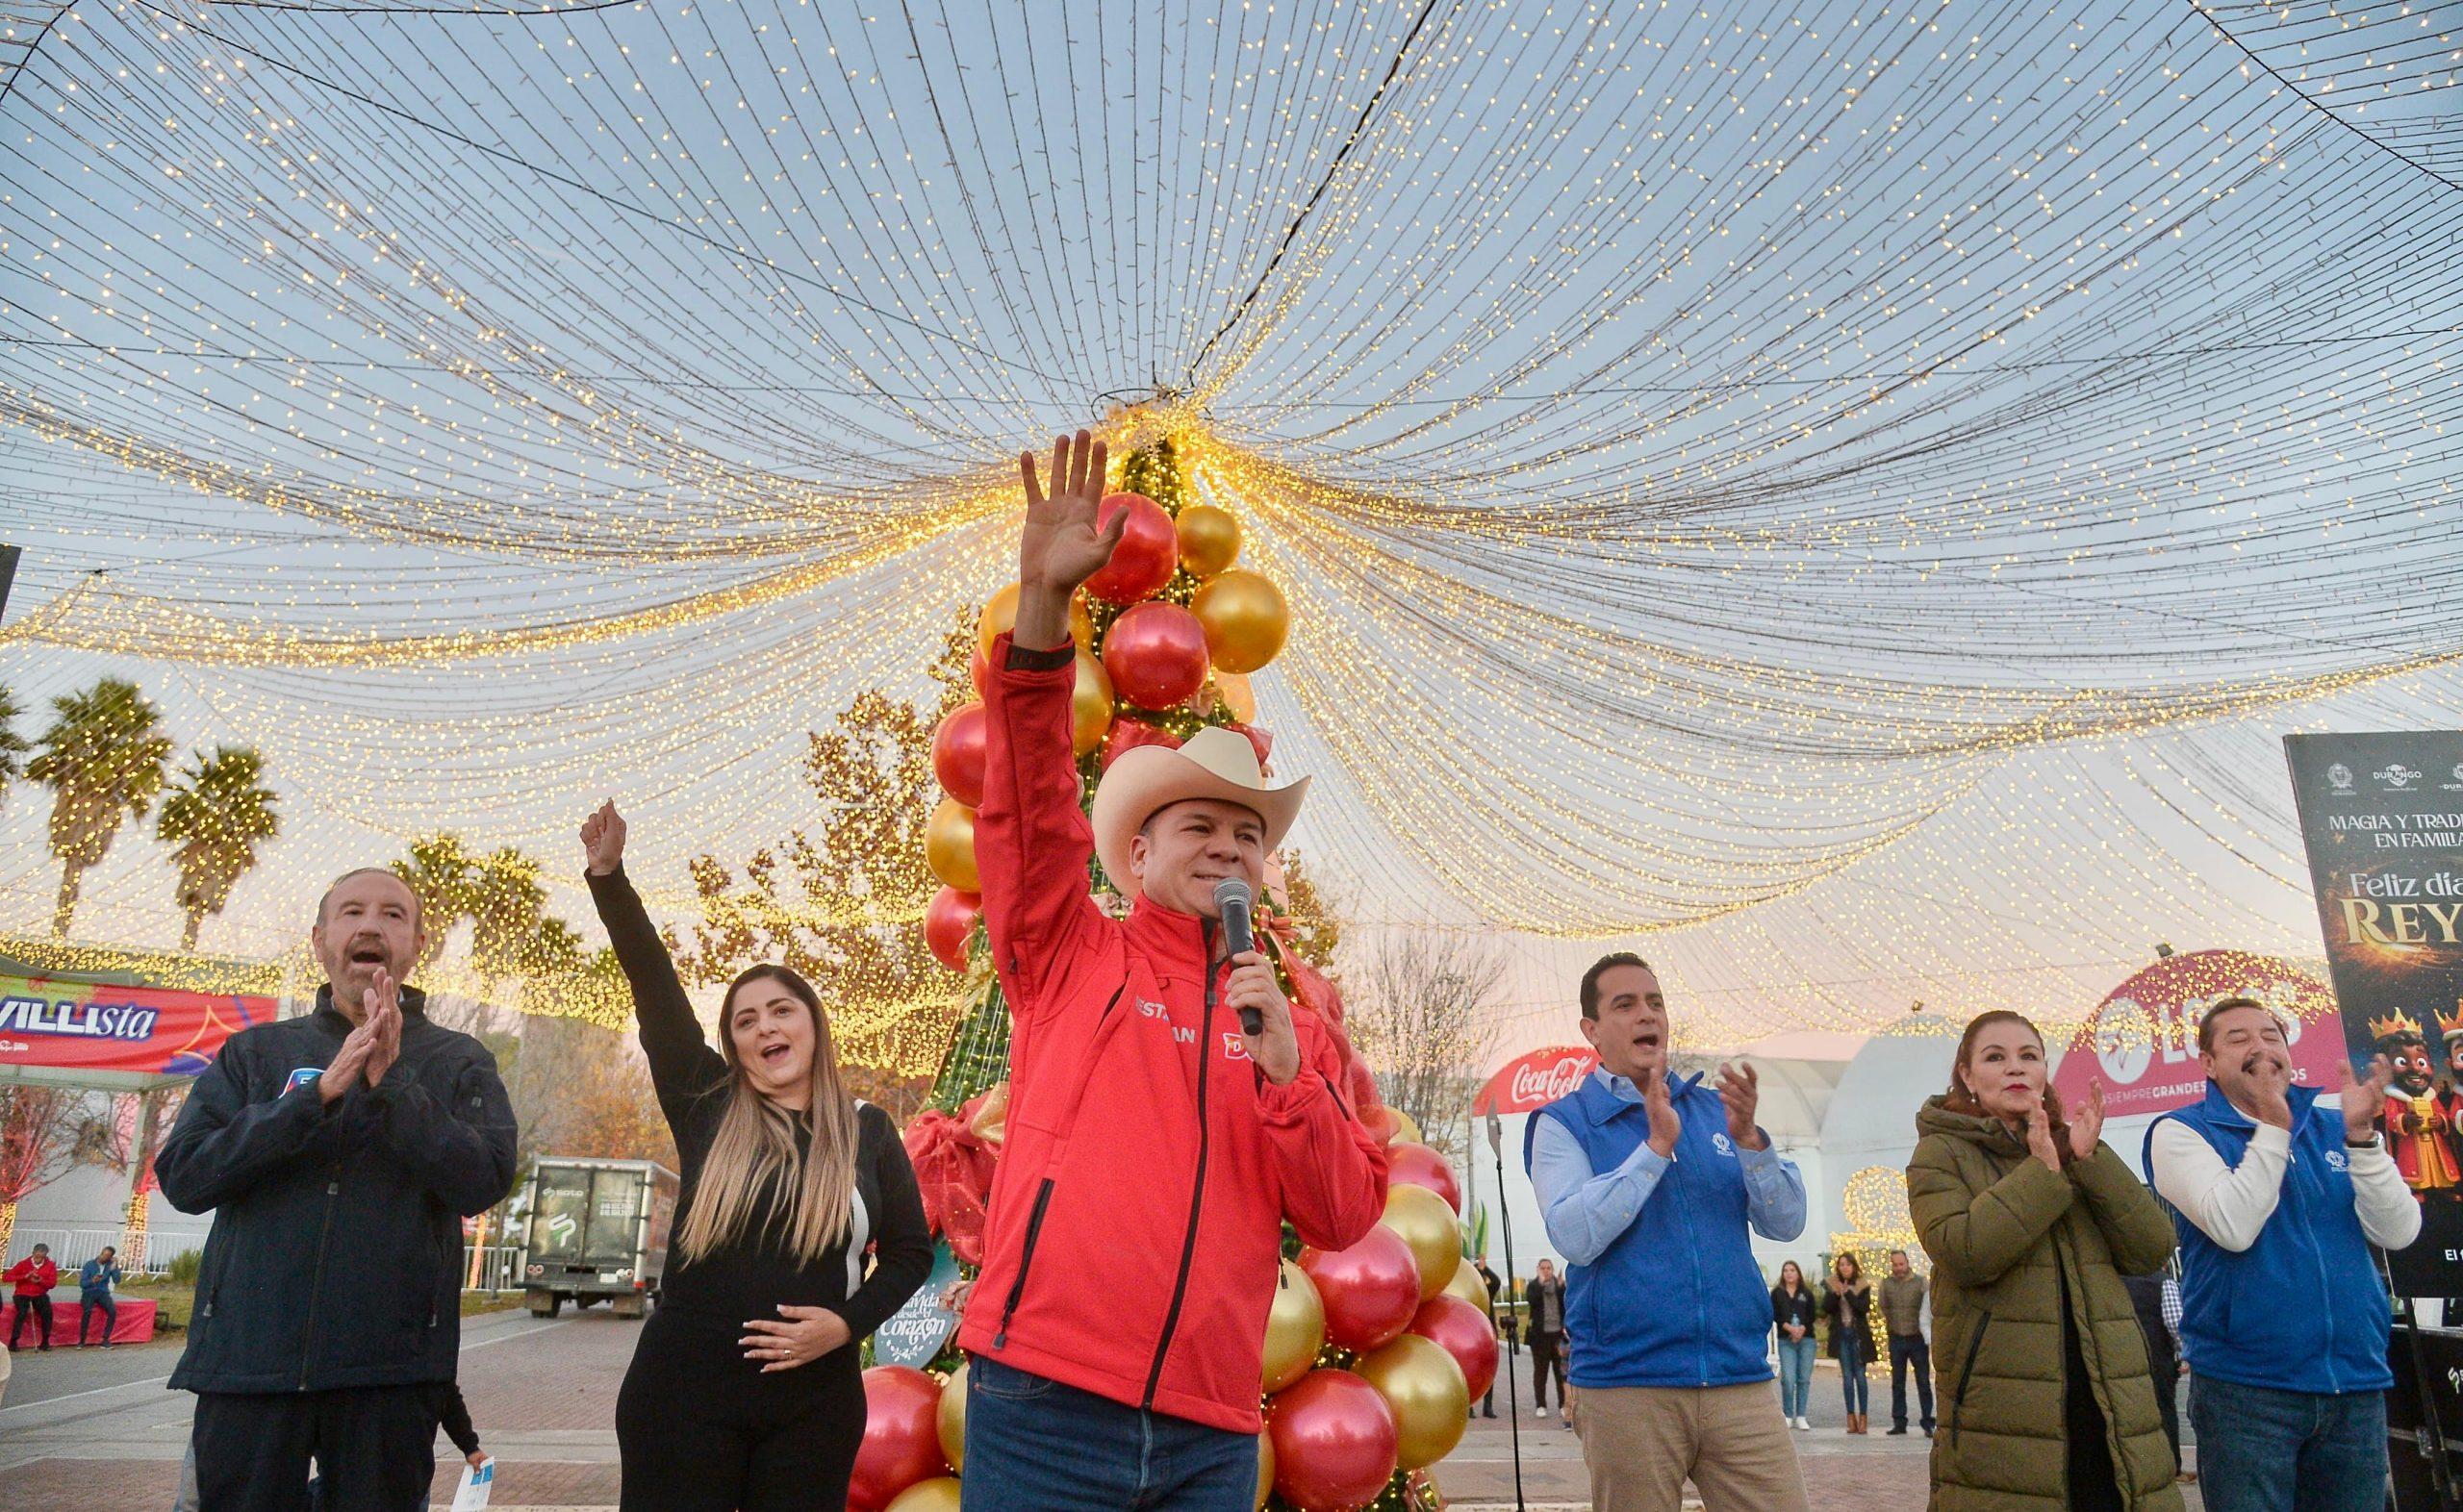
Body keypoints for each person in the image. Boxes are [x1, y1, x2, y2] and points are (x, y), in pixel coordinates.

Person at [958, 432, 1389, 1511]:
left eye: (1246, 836)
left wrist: (1288, 1075)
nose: (1226, 849)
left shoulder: (1293, 1021)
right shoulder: (1070, 954)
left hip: (1207, 1433)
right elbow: (1026, 800)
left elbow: (1343, 1218)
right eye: (1196, 825)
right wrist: (1046, 614)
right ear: (1135, 853)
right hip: (1045, 1407)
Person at [582, 800, 934, 1512]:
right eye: (745, 1019)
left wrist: (846, 1324)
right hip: (680, 1396)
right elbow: (656, 991)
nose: (764, 1026)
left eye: (781, 1010)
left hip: (813, 1406)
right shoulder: (706, 1103)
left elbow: (909, 1253)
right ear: (735, 1047)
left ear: (813, 1026)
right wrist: (610, 879)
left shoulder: (868, 1130)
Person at [154, 866, 518, 1512]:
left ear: (415, 944)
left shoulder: (459, 1060)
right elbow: (185, 1174)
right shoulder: (255, 1053)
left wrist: (395, 1083)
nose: (370, 925)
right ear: (321, 939)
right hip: (249, 1367)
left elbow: (482, 1179)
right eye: (351, 912)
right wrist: (314, 1097)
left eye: (392, 915)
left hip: (390, 1378)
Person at [1526, 951, 1811, 1512]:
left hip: (1739, 1381)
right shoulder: (1563, 1123)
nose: (1646, 1015)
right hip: (1627, 1387)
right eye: (1625, 1004)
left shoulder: (1717, 1111)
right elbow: (1575, 1236)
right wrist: (1655, 1148)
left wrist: (1752, 1142)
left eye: (1655, 1002)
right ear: (1591, 1030)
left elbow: (1787, 1222)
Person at [2142, 995, 2414, 1512]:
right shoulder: (2181, 1131)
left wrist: (2361, 1139)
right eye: (2238, 1039)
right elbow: (2233, 1226)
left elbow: (2398, 1232)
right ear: (2208, 1063)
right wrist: (2273, 1124)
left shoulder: (2337, 1124)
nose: (2260, 1047)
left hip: (2355, 1383)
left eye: (2271, 1036)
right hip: (2248, 1393)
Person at [1908, 1010, 2181, 1512]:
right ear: (1967, 1076)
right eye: (1995, 1057)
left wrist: (2089, 1161)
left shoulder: (2074, 1146)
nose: (2015, 1068)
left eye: (2028, 1056)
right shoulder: (1940, 1153)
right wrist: (2040, 1172)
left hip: (2106, 1399)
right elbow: (1964, 1251)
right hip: (2007, 1409)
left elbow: (2152, 1246)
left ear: (2044, 1071)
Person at [2120, 1272, 2181, 1481]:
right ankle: (2172, 1466)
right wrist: (2185, 1353)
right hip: (2158, 1361)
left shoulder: (2114, 1281)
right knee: (2164, 1412)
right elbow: (2176, 1324)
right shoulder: (2163, 1282)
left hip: (2122, 1363)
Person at [1877, 1247, 1934, 1437]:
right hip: (1896, 1337)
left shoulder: (1920, 1282)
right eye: (1895, 1264)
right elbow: (1883, 1306)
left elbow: (1927, 1306)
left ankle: (1928, 1421)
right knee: (1898, 1382)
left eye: (1901, 1264)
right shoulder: (1886, 1284)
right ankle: (1899, 1422)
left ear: (1907, 1263)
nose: (1898, 1267)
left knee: (1923, 1382)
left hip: (1916, 1338)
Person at [1823, 1253, 1874, 1434]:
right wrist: (1837, 1295)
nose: (1844, 1267)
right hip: (1842, 1334)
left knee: (1860, 1376)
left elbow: (1864, 1308)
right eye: (1841, 1264)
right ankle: (1850, 1417)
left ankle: (1863, 1418)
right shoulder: (1832, 1284)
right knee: (1847, 1378)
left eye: (1847, 1264)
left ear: (1853, 1266)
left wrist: (1849, 1294)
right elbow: (1826, 1308)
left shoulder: (1861, 1284)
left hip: (1858, 1335)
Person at [1770, 1260, 1817, 1431]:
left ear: (1798, 1273)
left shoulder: (1806, 1293)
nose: (1789, 1273)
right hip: (1786, 1339)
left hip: (1806, 1339)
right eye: (1786, 1270)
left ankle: (1801, 1415)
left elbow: (1812, 1314)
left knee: (1803, 1379)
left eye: (1792, 1270)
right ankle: (1788, 1414)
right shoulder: (1777, 1293)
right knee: (1788, 1379)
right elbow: (1775, 1314)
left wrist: (1802, 1329)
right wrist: (1789, 1328)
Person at [1526, 1258, 1568, 1418]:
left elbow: (1567, 1304)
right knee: (1540, 1372)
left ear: (1553, 1269)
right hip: (1540, 1338)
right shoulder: (1533, 1286)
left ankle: (1563, 1405)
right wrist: (1541, 1283)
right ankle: (1541, 1405)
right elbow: (1532, 1301)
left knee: (1561, 1373)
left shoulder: (1559, 1287)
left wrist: (1562, 1287)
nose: (1546, 1271)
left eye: (1549, 1268)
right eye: (1543, 1268)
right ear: (1538, 1269)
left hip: (1557, 1336)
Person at [6, 1242, 60, 1351]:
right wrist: (25, 1276)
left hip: (39, 1293)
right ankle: (13, 1341)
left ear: (45, 1256)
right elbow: (6, 1277)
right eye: (36, 1256)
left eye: (41, 1257)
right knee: (22, 1313)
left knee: (47, 1313)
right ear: (33, 1253)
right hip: (22, 1293)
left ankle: (45, 1341)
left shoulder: (50, 1265)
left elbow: (52, 1284)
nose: (38, 1259)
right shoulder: (23, 1263)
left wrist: (40, 1280)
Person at [78, 1245, 124, 1347]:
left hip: (103, 1292)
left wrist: (115, 1267)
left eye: (107, 1256)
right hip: (89, 1291)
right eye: (103, 1254)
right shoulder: (89, 1264)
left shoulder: (110, 1265)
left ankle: (105, 1338)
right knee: (87, 1311)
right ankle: (82, 1340)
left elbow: (117, 1280)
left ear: (110, 1257)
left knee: (112, 1311)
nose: (103, 1257)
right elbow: (82, 1284)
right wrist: (92, 1280)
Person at [1473, 1259, 1502, 1419]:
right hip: (1472, 1336)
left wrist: (1485, 1269)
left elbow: (1496, 1282)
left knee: (1489, 1370)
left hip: (1488, 1334)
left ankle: (1487, 1406)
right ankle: (1469, 1407)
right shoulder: (1467, 1293)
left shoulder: (1488, 1291)